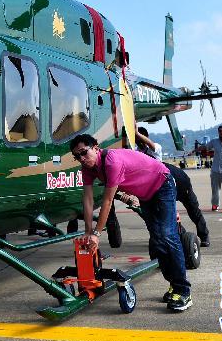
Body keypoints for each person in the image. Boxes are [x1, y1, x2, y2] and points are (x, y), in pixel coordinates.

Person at [71, 133, 192, 311]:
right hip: (146, 195)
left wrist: (96, 234)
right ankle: (175, 285)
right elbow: (88, 199)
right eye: (77, 156)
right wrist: (88, 230)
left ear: (96, 148)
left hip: (162, 184)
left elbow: (107, 201)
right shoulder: (87, 169)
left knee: (168, 235)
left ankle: (184, 292)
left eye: (84, 153)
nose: (81, 158)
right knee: (158, 239)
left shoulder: (112, 162)